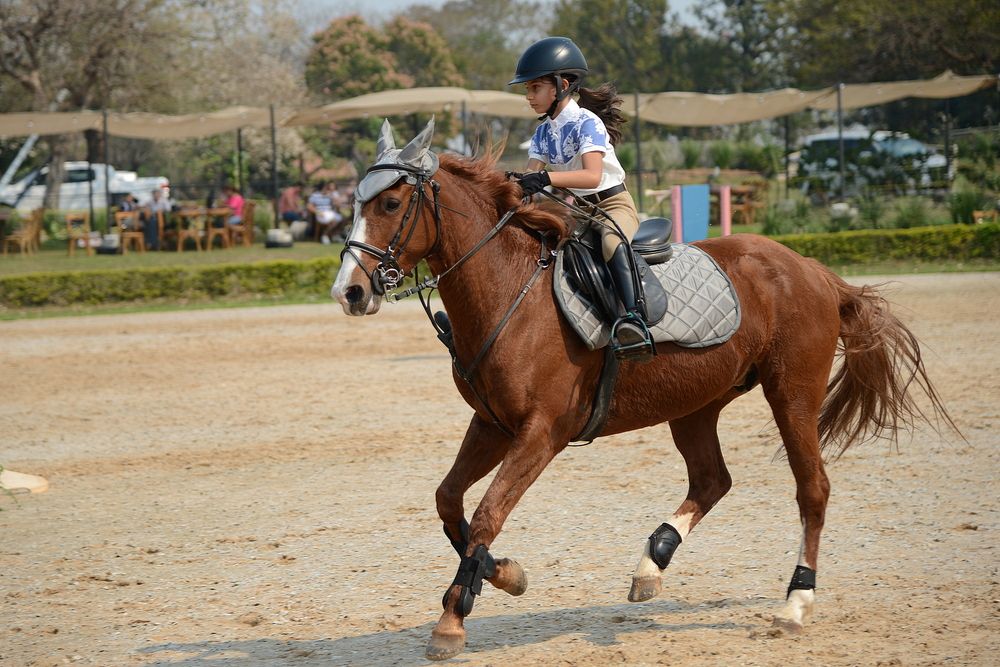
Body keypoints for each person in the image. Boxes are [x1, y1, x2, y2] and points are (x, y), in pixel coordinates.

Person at [509, 36, 648, 357]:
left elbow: (592, 176)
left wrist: (544, 178)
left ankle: (633, 319)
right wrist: (510, 184)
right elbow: (531, 176)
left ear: (562, 85)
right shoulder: (543, 132)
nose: (529, 97)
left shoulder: (588, 123)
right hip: (580, 211)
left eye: (534, 88)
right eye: (527, 90)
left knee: (612, 244)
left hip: (613, 205)